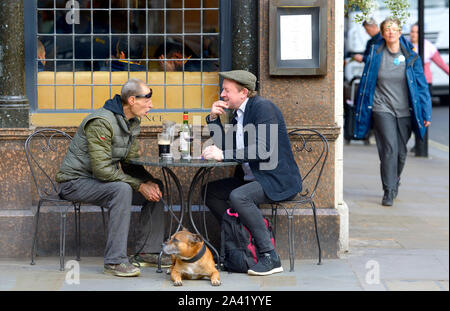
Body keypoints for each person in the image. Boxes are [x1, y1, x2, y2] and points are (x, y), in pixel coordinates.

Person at [56, 78, 171, 277]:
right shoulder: (101, 122)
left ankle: (147, 251)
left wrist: (146, 182)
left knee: (155, 186)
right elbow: (101, 170)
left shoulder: (131, 121)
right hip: (74, 182)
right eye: (147, 100)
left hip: (100, 182)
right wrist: (138, 185)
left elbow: (129, 163)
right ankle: (115, 261)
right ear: (132, 100)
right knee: (122, 189)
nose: (151, 104)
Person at [201, 70, 302, 276]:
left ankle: (269, 256)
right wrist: (213, 119)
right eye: (223, 90)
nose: (222, 95)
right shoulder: (239, 114)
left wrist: (223, 154)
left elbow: (263, 149)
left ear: (244, 92)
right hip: (252, 178)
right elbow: (226, 146)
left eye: (227, 90)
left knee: (239, 196)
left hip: (275, 179)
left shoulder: (263, 108)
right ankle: (239, 241)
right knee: (210, 192)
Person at [353, 18, 432, 207]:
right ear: (382, 33)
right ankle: (388, 190)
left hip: (405, 110)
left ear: (400, 32)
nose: (391, 32)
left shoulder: (412, 57)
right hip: (382, 108)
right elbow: (366, 84)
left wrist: (426, 113)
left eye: (394, 29)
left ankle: (394, 178)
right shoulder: (375, 54)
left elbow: (421, 88)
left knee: (401, 152)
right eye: (387, 29)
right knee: (389, 148)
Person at [408, 23, 449, 152]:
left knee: (423, 114)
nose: (413, 34)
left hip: (425, 84)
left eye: (416, 32)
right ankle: (418, 141)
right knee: (412, 113)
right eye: (412, 32)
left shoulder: (428, 47)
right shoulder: (407, 46)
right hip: (411, 84)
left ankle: (421, 143)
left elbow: (442, 64)